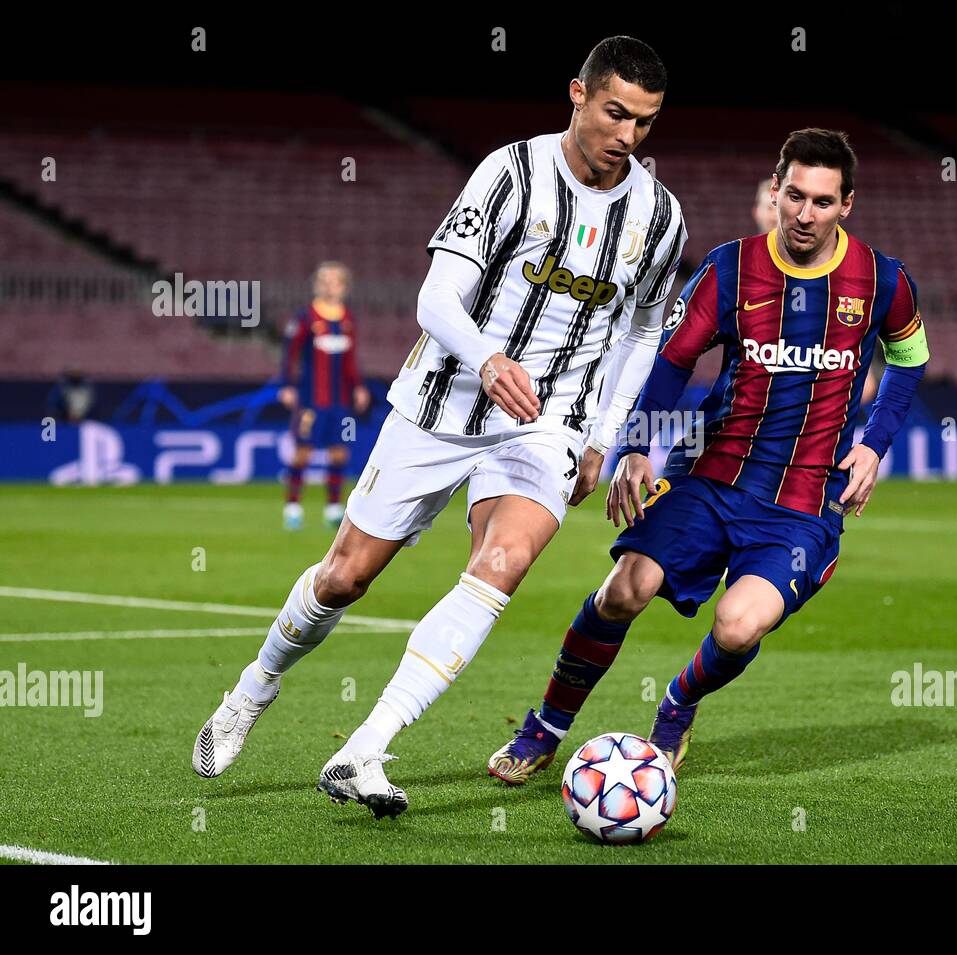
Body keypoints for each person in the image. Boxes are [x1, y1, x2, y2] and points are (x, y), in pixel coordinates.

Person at [192, 36, 686, 821]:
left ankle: (365, 748)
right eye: (616, 113)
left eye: (646, 123)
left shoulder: (658, 216)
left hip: (547, 421)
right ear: (578, 95)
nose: (627, 136)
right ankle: (254, 686)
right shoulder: (510, 173)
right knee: (344, 576)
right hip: (444, 400)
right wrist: (490, 359)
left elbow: (639, 334)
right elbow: (435, 300)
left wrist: (602, 436)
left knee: (503, 561)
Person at [488, 128, 929, 784]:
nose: (805, 214)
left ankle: (677, 706)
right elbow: (672, 361)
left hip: (803, 500)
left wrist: (873, 442)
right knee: (624, 588)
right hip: (707, 470)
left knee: (736, 626)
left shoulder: (881, 280)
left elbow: (909, 357)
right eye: (795, 196)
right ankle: (545, 728)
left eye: (823, 202)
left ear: (847, 205)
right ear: (775, 191)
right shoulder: (730, 268)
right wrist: (637, 445)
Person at [278, 262, 370, 529]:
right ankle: (292, 507)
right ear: (317, 284)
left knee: (339, 453)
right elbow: (290, 354)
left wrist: (359, 386)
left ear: (344, 286)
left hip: (340, 401)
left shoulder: (348, 319)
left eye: (336, 280)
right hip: (311, 400)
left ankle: (333, 508)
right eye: (325, 280)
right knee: (303, 452)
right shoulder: (305, 317)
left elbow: (351, 359)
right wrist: (287, 385)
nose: (330, 285)